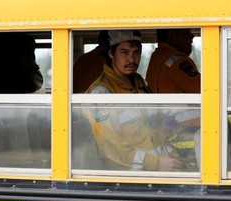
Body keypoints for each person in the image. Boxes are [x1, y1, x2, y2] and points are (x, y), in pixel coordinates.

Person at [84, 30, 183, 171]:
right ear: (111, 54)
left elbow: (157, 123)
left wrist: (172, 153)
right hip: (129, 179)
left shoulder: (139, 82)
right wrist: (155, 163)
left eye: (136, 52)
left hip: (160, 167)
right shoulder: (101, 93)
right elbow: (112, 151)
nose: (131, 59)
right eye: (124, 52)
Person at [145, 28, 200, 93]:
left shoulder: (156, 58)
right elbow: (205, 89)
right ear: (172, 35)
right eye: (186, 32)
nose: (192, 36)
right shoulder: (178, 61)